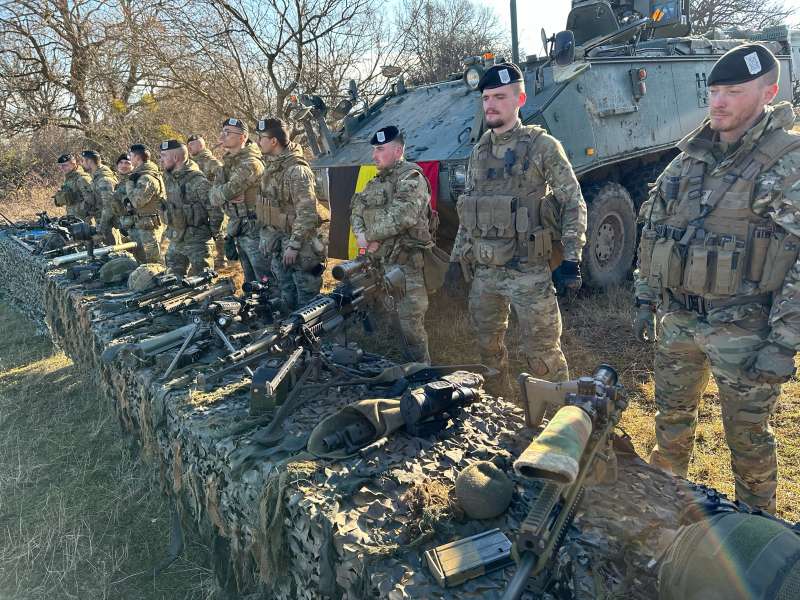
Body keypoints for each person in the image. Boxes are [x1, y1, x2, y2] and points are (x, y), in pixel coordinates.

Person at [633, 44, 800, 513]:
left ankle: (757, 530)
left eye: (734, 91)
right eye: (714, 91)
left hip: (745, 327)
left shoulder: (786, 162)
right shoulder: (689, 159)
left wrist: (783, 343)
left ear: (768, 92)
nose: (720, 102)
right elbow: (654, 230)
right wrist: (645, 297)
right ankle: (666, 513)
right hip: (680, 322)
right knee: (670, 424)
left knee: (748, 442)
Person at [446, 63, 587, 387]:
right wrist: (456, 260)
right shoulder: (479, 151)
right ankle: (498, 402)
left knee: (542, 353)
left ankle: (555, 410)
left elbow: (572, 201)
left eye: (500, 97)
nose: (491, 104)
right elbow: (469, 209)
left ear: (520, 99)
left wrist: (571, 257)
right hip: (486, 270)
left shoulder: (542, 146)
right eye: (486, 98)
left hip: (529, 271)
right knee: (486, 347)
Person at [350, 125, 433, 364]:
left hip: (404, 266)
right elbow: (356, 209)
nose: (374, 155)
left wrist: (370, 236)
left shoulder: (411, 178)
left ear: (397, 151)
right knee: (387, 321)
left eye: (380, 149)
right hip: (379, 263)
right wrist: (361, 235)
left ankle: (422, 373)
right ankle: (395, 367)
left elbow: (403, 215)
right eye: (374, 150)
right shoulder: (376, 181)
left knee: (410, 326)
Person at [255, 118, 329, 309]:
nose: (258, 142)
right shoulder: (271, 167)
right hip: (279, 242)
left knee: (307, 298)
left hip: (299, 244)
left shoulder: (297, 170)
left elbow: (307, 213)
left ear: (273, 141)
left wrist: (294, 245)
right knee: (286, 294)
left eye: (261, 138)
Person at [208, 118, 267, 285]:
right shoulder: (228, 164)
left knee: (264, 279)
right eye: (222, 132)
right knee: (249, 279)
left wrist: (223, 193)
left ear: (242, 137)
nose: (222, 136)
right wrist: (223, 194)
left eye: (228, 132)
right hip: (239, 226)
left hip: (255, 228)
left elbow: (226, 192)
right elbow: (213, 197)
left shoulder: (251, 163)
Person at [159, 139, 222, 277]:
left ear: (176, 158)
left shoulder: (197, 181)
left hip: (197, 241)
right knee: (171, 279)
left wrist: (209, 234)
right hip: (176, 239)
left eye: (164, 156)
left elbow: (216, 210)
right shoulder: (168, 178)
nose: (161, 160)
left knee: (202, 280)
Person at [188, 133, 226, 269]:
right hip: (197, 204)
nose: (189, 148)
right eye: (188, 145)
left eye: (192, 145)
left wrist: (216, 192)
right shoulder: (191, 162)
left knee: (217, 230)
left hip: (212, 203)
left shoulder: (210, 161)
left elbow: (222, 175)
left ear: (201, 145)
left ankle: (222, 258)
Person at [125, 143, 166, 264]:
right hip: (145, 223)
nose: (129, 158)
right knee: (145, 259)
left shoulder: (146, 177)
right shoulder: (142, 174)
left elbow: (137, 202)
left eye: (130, 156)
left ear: (137, 158)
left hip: (150, 225)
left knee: (154, 260)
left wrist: (129, 184)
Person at [80, 150, 118, 246]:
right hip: (102, 222)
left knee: (113, 251)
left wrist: (101, 229)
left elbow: (108, 207)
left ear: (89, 161)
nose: (81, 164)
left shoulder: (104, 180)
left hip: (107, 226)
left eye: (83, 161)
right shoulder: (96, 176)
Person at [53, 154, 93, 219]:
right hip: (72, 218)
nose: (62, 168)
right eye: (60, 166)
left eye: (65, 165)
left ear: (73, 164)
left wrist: (80, 211)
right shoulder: (70, 178)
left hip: (83, 220)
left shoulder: (82, 178)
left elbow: (92, 200)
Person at [111, 153, 133, 240]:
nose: (123, 166)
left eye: (127, 163)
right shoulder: (120, 183)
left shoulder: (135, 180)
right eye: (121, 163)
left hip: (136, 226)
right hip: (125, 225)